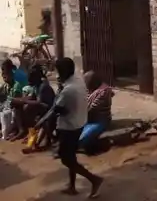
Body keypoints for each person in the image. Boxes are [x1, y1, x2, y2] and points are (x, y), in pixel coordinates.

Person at [36, 58, 103, 198]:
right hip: (79, 122)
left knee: (66, 158)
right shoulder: (77, 80)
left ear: (62, 71)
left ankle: (94, 179)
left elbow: (56, 109)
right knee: (71, 155)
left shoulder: (67, 90)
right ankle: (72, 186)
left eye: (57, 70)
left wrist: (42, 121)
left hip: (69, 126)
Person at [11, 65, 56, 152]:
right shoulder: (36, 86)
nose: (28, 80)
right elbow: (31, 97)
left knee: (30, 108)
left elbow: (39, 102)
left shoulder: (43, 87)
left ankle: (34, 142)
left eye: (30, 78)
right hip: (44, 112)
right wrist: (17, 100)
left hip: (51, 113)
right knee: (21, 106)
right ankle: (30, 138)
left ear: (36, 77)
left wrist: (23, 102)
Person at [79, 71, 113, 155]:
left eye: (86, 81)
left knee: (83, 138)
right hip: (86, 118)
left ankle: (102, 145)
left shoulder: (104, 91)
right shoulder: (88, 89)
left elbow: (91, 109)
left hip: (99, 120)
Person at [0, 65, 23, 140]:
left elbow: (16, 100)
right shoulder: (5, 85)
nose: (4, 77)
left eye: (5, 75)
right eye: (3, 76)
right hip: (6, 106)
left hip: (14, 106)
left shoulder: (16, 85)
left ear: (11, 76)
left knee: (8, 113)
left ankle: (17, 130)